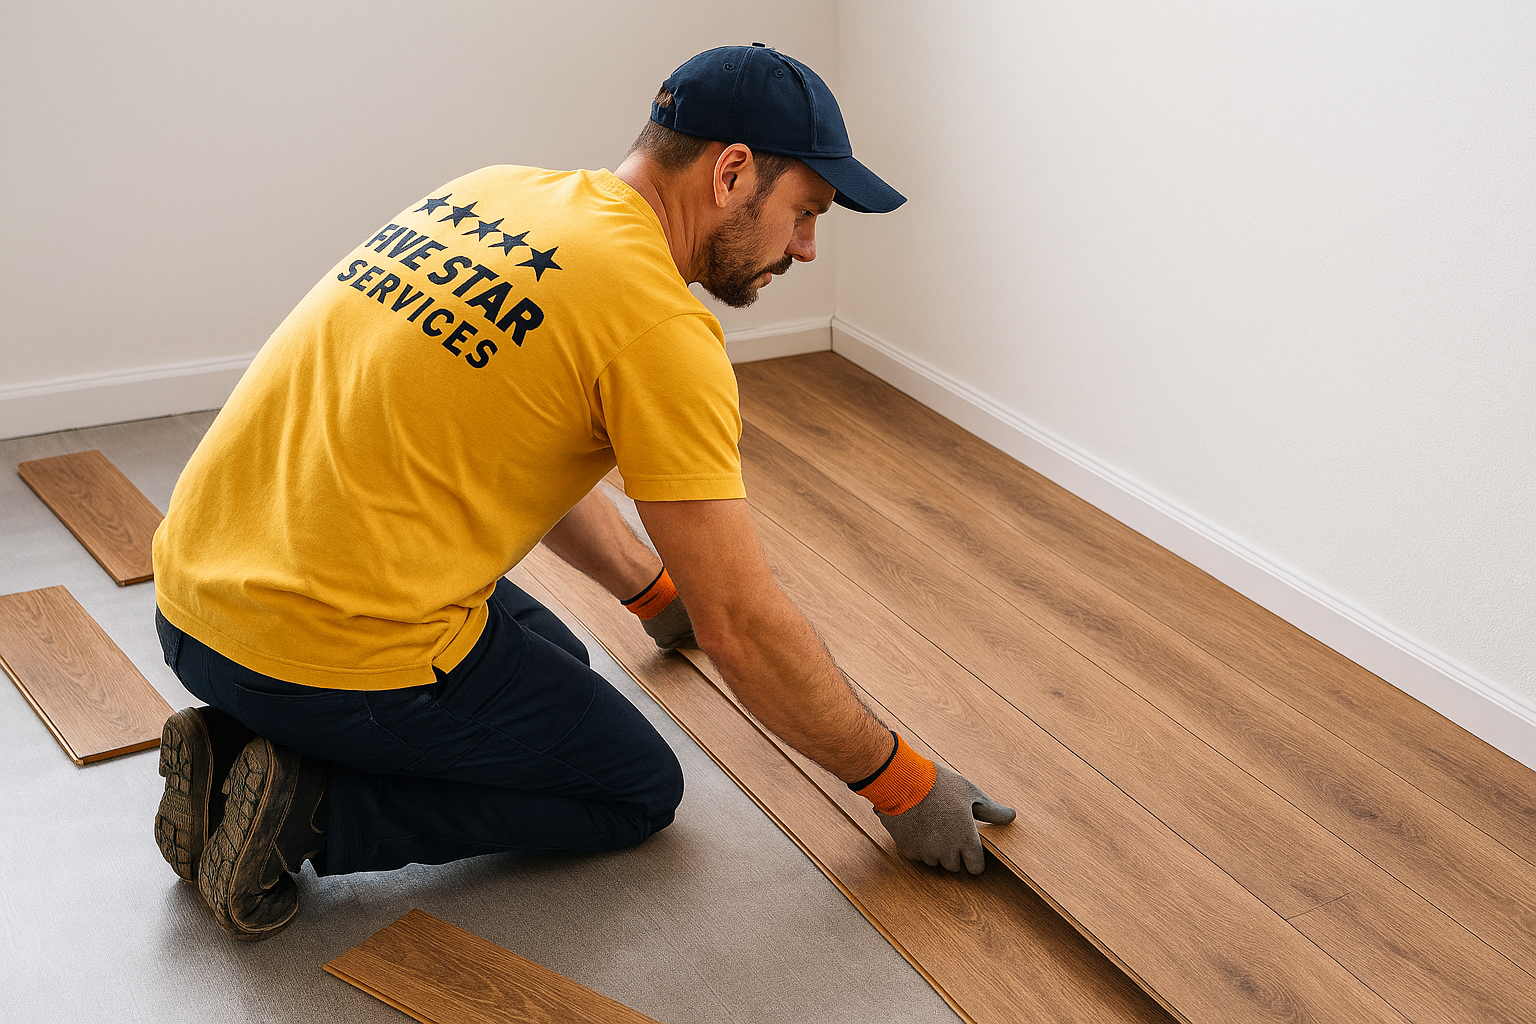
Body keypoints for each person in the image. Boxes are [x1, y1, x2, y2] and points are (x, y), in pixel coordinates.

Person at [150, 43, 1014, 942]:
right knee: (631, 785)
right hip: (310, 655)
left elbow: (508, 432)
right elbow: (742, 627)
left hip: (191, 604)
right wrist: (903, 785)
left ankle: (234, 751)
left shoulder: (498, 191)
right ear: (730, 173)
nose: (803, 246)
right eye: (805, 211)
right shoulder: (658, 325)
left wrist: (652, 592)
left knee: (562, 667)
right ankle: (310, 808)